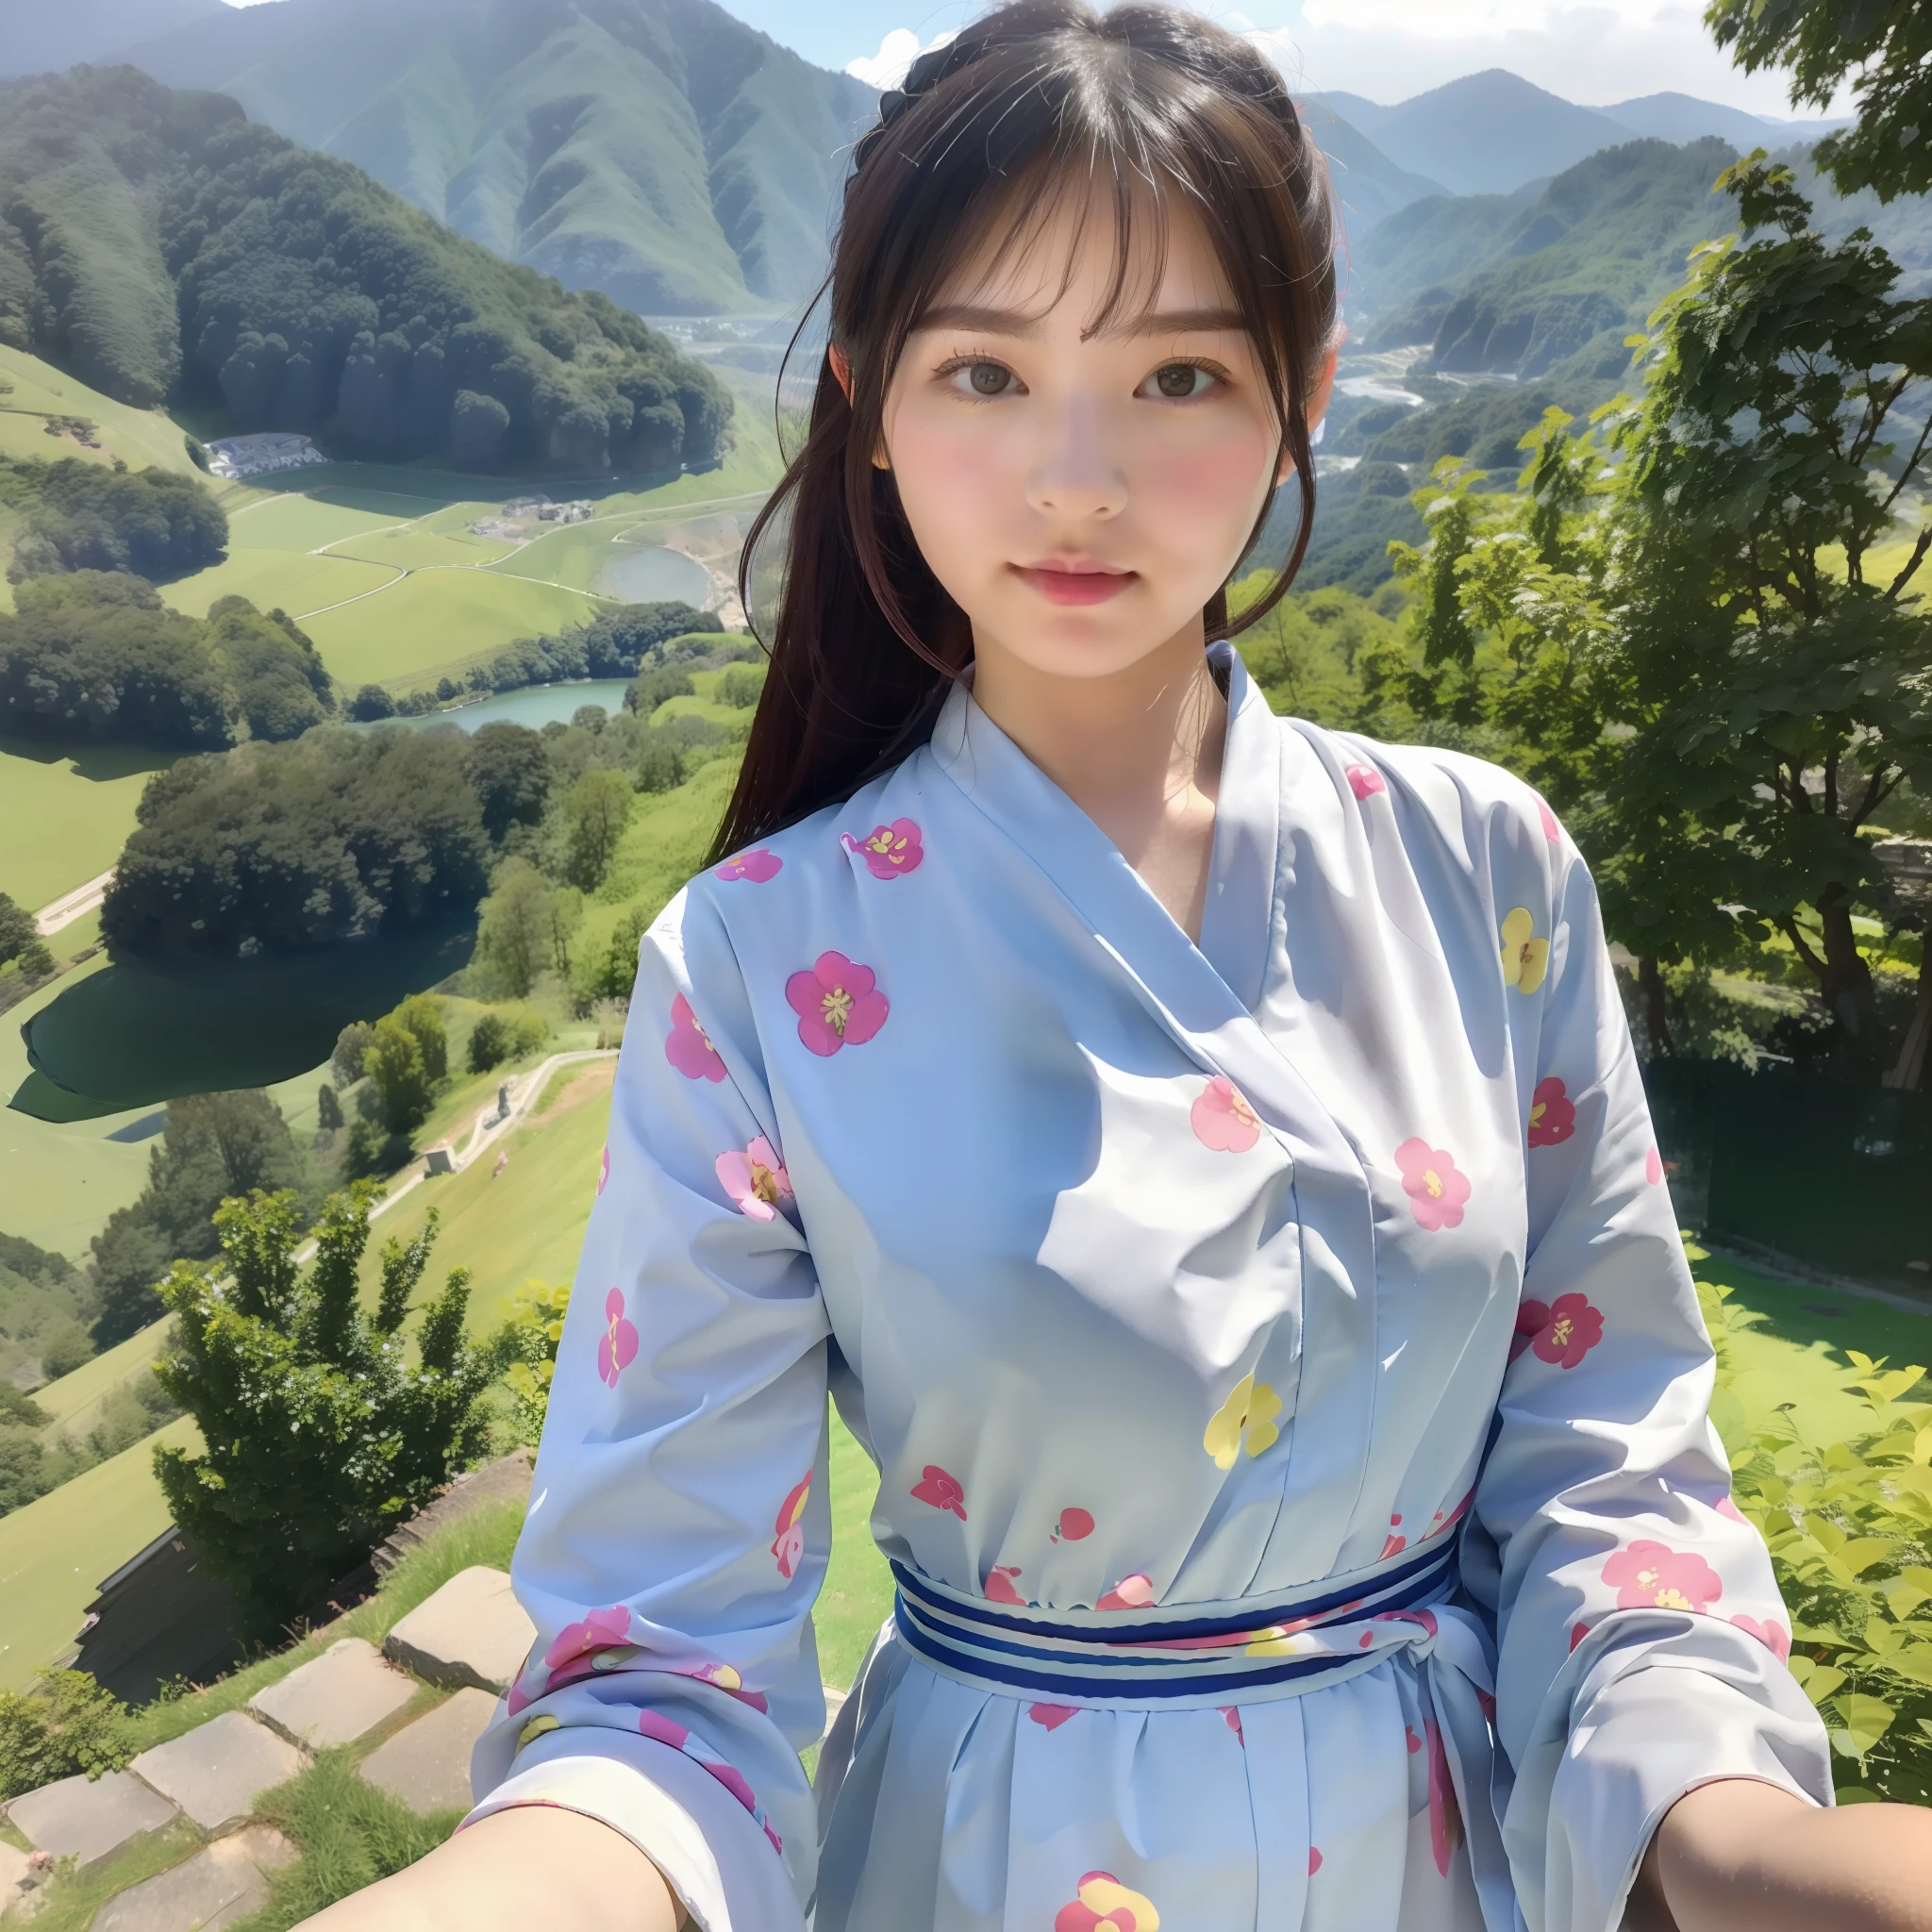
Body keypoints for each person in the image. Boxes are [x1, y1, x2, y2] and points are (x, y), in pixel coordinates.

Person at [304, 6, 1932, 1929]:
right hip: (984, 1872)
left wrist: (1741, 1841)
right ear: (868, 399)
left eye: (1173, 376)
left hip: (1443, 1864)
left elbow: (1612, 1463)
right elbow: (667, 1668)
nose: (1074, 479)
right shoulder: (757, 965)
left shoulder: (1484, 868)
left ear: (1300, 389)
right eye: (984, 371)